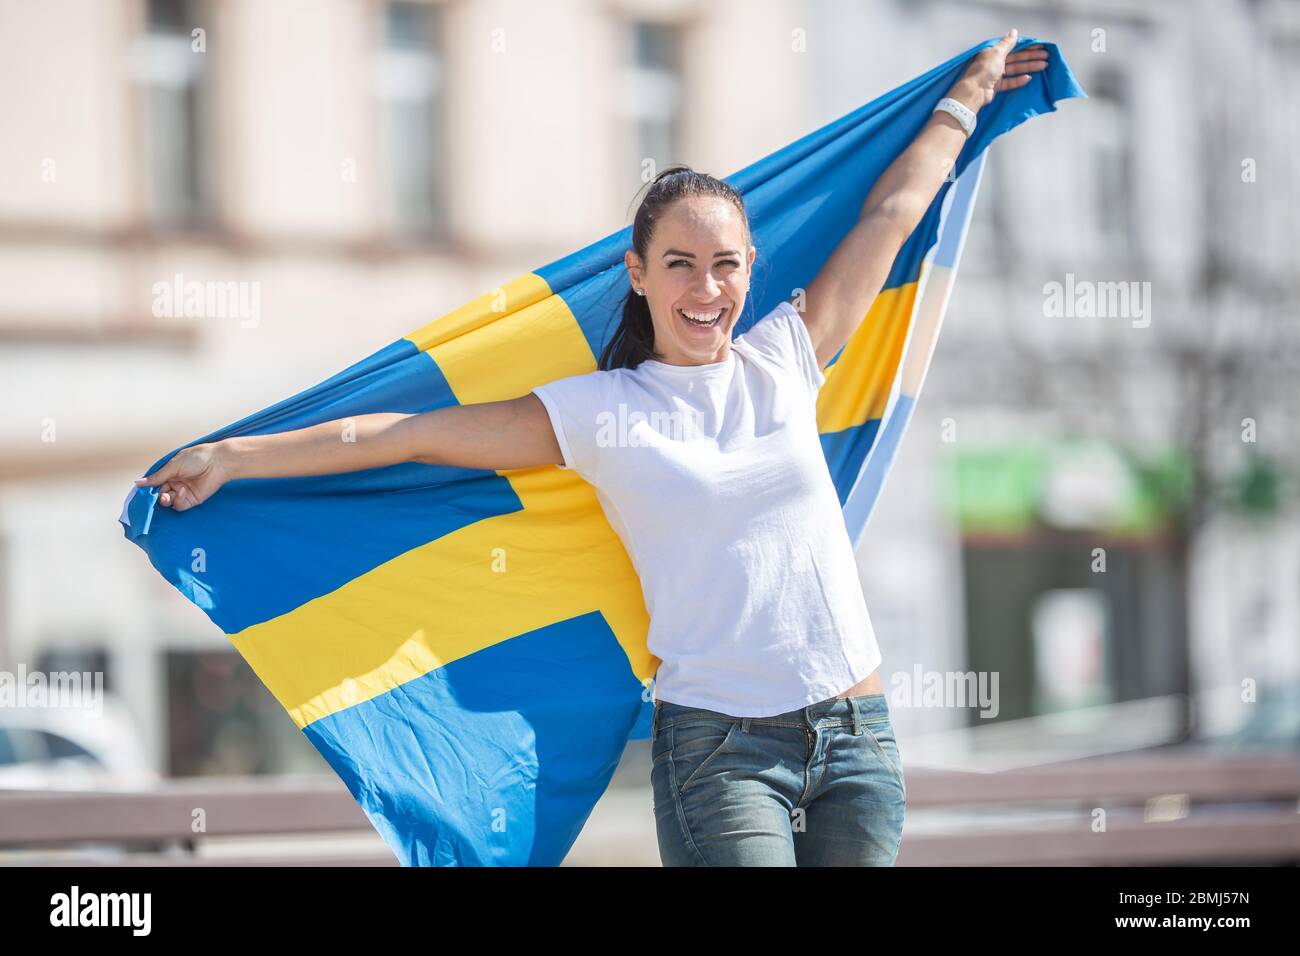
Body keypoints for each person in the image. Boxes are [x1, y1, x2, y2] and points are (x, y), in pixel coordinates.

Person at [135, 30, 1047, 866]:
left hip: (858, 738)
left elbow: (890, 215)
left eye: (726, 264)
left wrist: (962, 102)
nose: (706, 287)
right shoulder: (602, 412)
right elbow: (408, 435)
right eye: (681, 264)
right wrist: (239, 458)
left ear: (750, 272)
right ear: (639, 274)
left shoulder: (788, 357)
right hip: (724, 755)